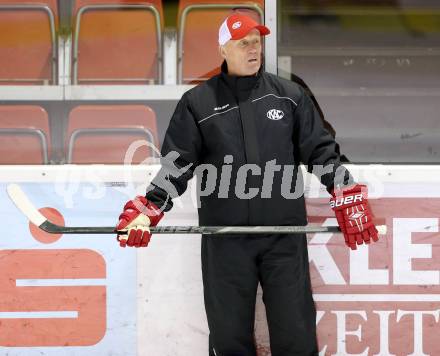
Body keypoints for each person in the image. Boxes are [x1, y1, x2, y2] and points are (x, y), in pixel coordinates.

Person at [115, 13, 379, 356]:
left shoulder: (289, 96)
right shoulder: (198, 103)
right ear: (223, 49)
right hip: (225, 239)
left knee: (296, 334)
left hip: (283, 237)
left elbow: (321, 150)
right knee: (228, 339)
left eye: (257, 42)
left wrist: (344, 188)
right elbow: (176, 164)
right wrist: (151, 206)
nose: (253, 49)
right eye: (244, 43)